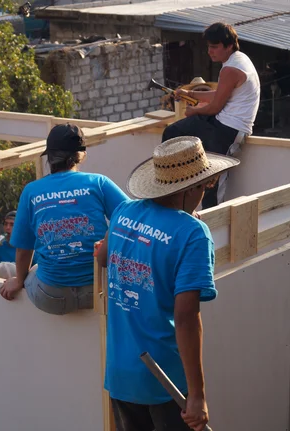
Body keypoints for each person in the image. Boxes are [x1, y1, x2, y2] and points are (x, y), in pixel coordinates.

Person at [96, 136, 239, 431]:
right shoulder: (192, 234)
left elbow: (103, 258)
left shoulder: (124, 212)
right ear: (191, 188)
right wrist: (197, 396)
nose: (204, 192)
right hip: (165, 382)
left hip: (121, 374)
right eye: (204, 186)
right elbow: (187, 318)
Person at [0, 123, 129, 315]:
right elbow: (130, 219)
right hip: (99, 291)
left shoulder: (31, 191)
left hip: (50, 296)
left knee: (35, 268)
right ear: (81, 155)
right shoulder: (98, 182)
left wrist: (18, 281)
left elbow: (23, 249)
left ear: (49, 157)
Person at [162, 22, 259, 209]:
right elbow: (219, 94)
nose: (209, 51)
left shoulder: (231, 69)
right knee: (172, 132)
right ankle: (175, 187)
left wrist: (193, 111)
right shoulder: (237, 59)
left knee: (212, 180)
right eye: (208, 46)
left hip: (230, 129)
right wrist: (189, 94)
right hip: (218, 122)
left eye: (214, 47)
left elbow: (214, 106)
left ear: (229, 45)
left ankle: (213, 221)